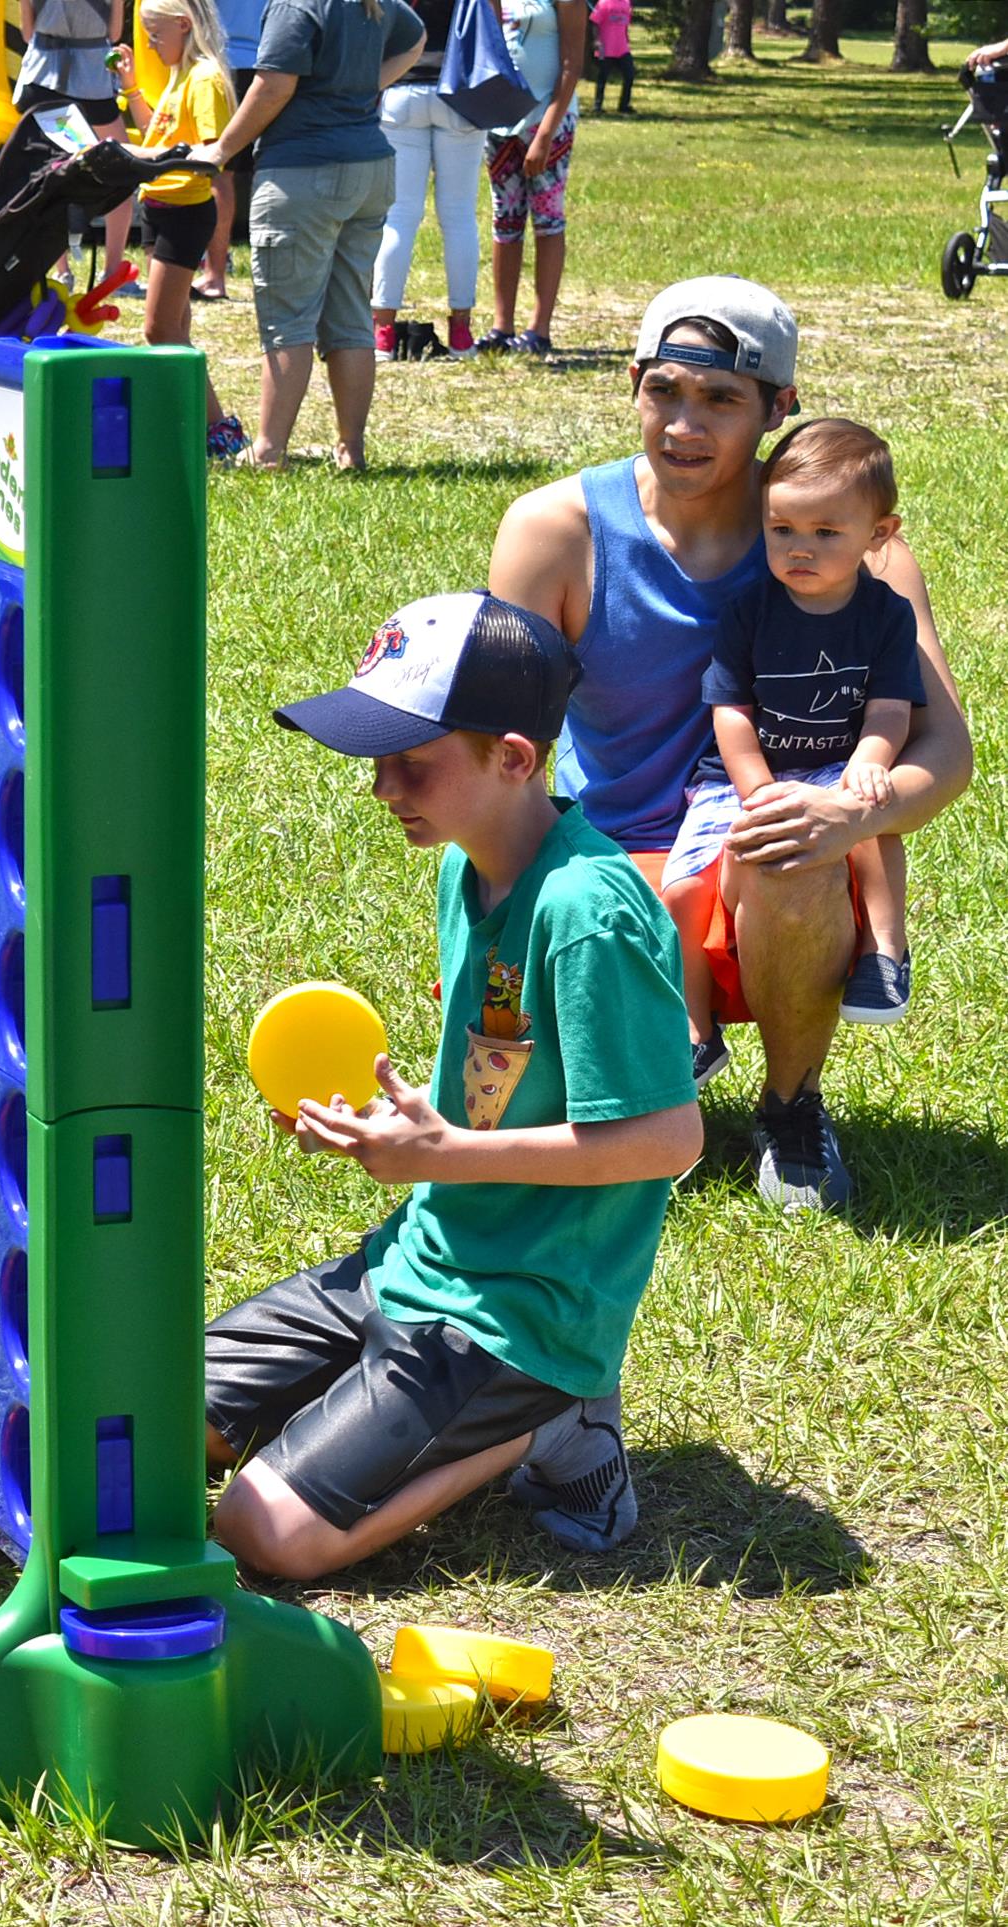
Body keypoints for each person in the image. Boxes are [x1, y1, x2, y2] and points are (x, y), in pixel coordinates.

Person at [208, 592, 702, 1581]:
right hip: (418, 1257)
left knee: (262, 1532)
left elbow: (669, 1140)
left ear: (513, 758)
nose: (384, 785)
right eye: (376, 759)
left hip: (521, 1311)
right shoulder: (468, 865)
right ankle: (380, 1398)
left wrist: (446, 1155)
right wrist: (387, 1127)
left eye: (411, 762)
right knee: (127, 1431)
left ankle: (554, 1422)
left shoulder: (587, 913)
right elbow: (490, 1080)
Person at [487, 277, 973, 1213]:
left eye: (718, 399)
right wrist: (507, 922)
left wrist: (849, 812)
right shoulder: (555, 531)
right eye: (661, 389)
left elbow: (944, 750)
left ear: (776, 408)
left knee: (786, 837)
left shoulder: (843, 537)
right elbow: (501, 755)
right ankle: (652, 1058)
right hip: (609, 863)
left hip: (770, 849)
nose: (682, 423)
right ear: (631, 384)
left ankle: (790, 1106)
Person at [660, 419, 920, 1071]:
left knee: (871, 828)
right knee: (681, 892)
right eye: (781, 530)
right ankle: (694, 1026)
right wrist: (757, 791)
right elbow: (730, 713)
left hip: (838, 763)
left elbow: (889, 709)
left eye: (825, 533)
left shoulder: (886, 614)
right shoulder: (749, 611)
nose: (798, 549)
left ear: (877, 534)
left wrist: (868, 761)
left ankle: (884, 955)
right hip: (736, 780)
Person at [194, 0, 427, 471]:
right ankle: (351, 451)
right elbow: (415, 37)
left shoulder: (294, 5)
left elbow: (274, 85)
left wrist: (219, 150)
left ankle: (268, 452)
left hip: (303, 172)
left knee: (288, 320)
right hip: (370, 168)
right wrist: (361, 90)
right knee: (352, 318)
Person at [124, 0, 248, 457]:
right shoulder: (181, 76)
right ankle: (190, 422)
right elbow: (159, 139)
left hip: (183, 212)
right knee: (174, 327)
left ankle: (219, 429)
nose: (152, 46)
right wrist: (132, 89)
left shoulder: (205, 79)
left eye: (155, 36)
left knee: (160, 331)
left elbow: (212, 151)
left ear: (183, 26)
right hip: (160, 207)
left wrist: (148, 157)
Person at [368, 0, 482, 360]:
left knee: (399, 216)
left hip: (402, 91)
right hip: (459, 91)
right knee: (460, 216)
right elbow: (489, 27)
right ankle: (461, 332)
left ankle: (383, 331)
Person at [478, 0, 584, 354]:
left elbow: (571, 65)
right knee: (505, 219)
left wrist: (546, 134)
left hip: (547, 121)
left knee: (547, 218)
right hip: (501, 121)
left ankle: (539, 328)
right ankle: (502, 325)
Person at [18, 0, 139, 285]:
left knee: (49, 175)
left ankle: (61, 272)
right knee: (121, 170)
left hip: (43, 77)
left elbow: (27, 33)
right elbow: (115, 32)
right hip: (92, 76)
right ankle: (112, 271)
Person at [203, 0, 271, 297]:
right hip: (270, 69)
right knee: (269, 171)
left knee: (220, 173)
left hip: (221, 64)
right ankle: (271, 273)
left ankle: (215, 276)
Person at [589, 0, 632, 114]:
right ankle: (597, 106)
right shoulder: (603, 3)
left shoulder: (626, 3)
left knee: (629, 75)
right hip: (606, 47)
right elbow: (595, 22)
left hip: (622, 47)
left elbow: (626, 24)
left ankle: (624, 105)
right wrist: (597, 40)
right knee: (603, 77)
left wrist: (627, 39)